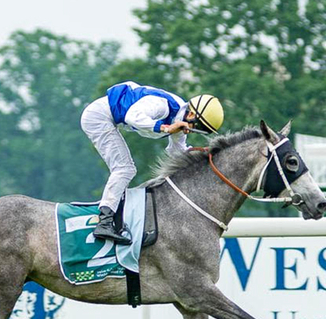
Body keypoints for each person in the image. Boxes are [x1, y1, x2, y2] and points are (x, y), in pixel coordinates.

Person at [81, 81, 224, 245]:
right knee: (124, 169)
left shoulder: (180, 120)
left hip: (110, 119)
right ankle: (104, 222)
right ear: (191, 115)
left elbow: (176, 153)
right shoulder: (162, 105)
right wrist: (166, 128)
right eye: (195, 127)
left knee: (126, 168)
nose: (189, 131)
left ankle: (113, 219)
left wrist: (203, 157)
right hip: (98, 117)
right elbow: (132, 116)